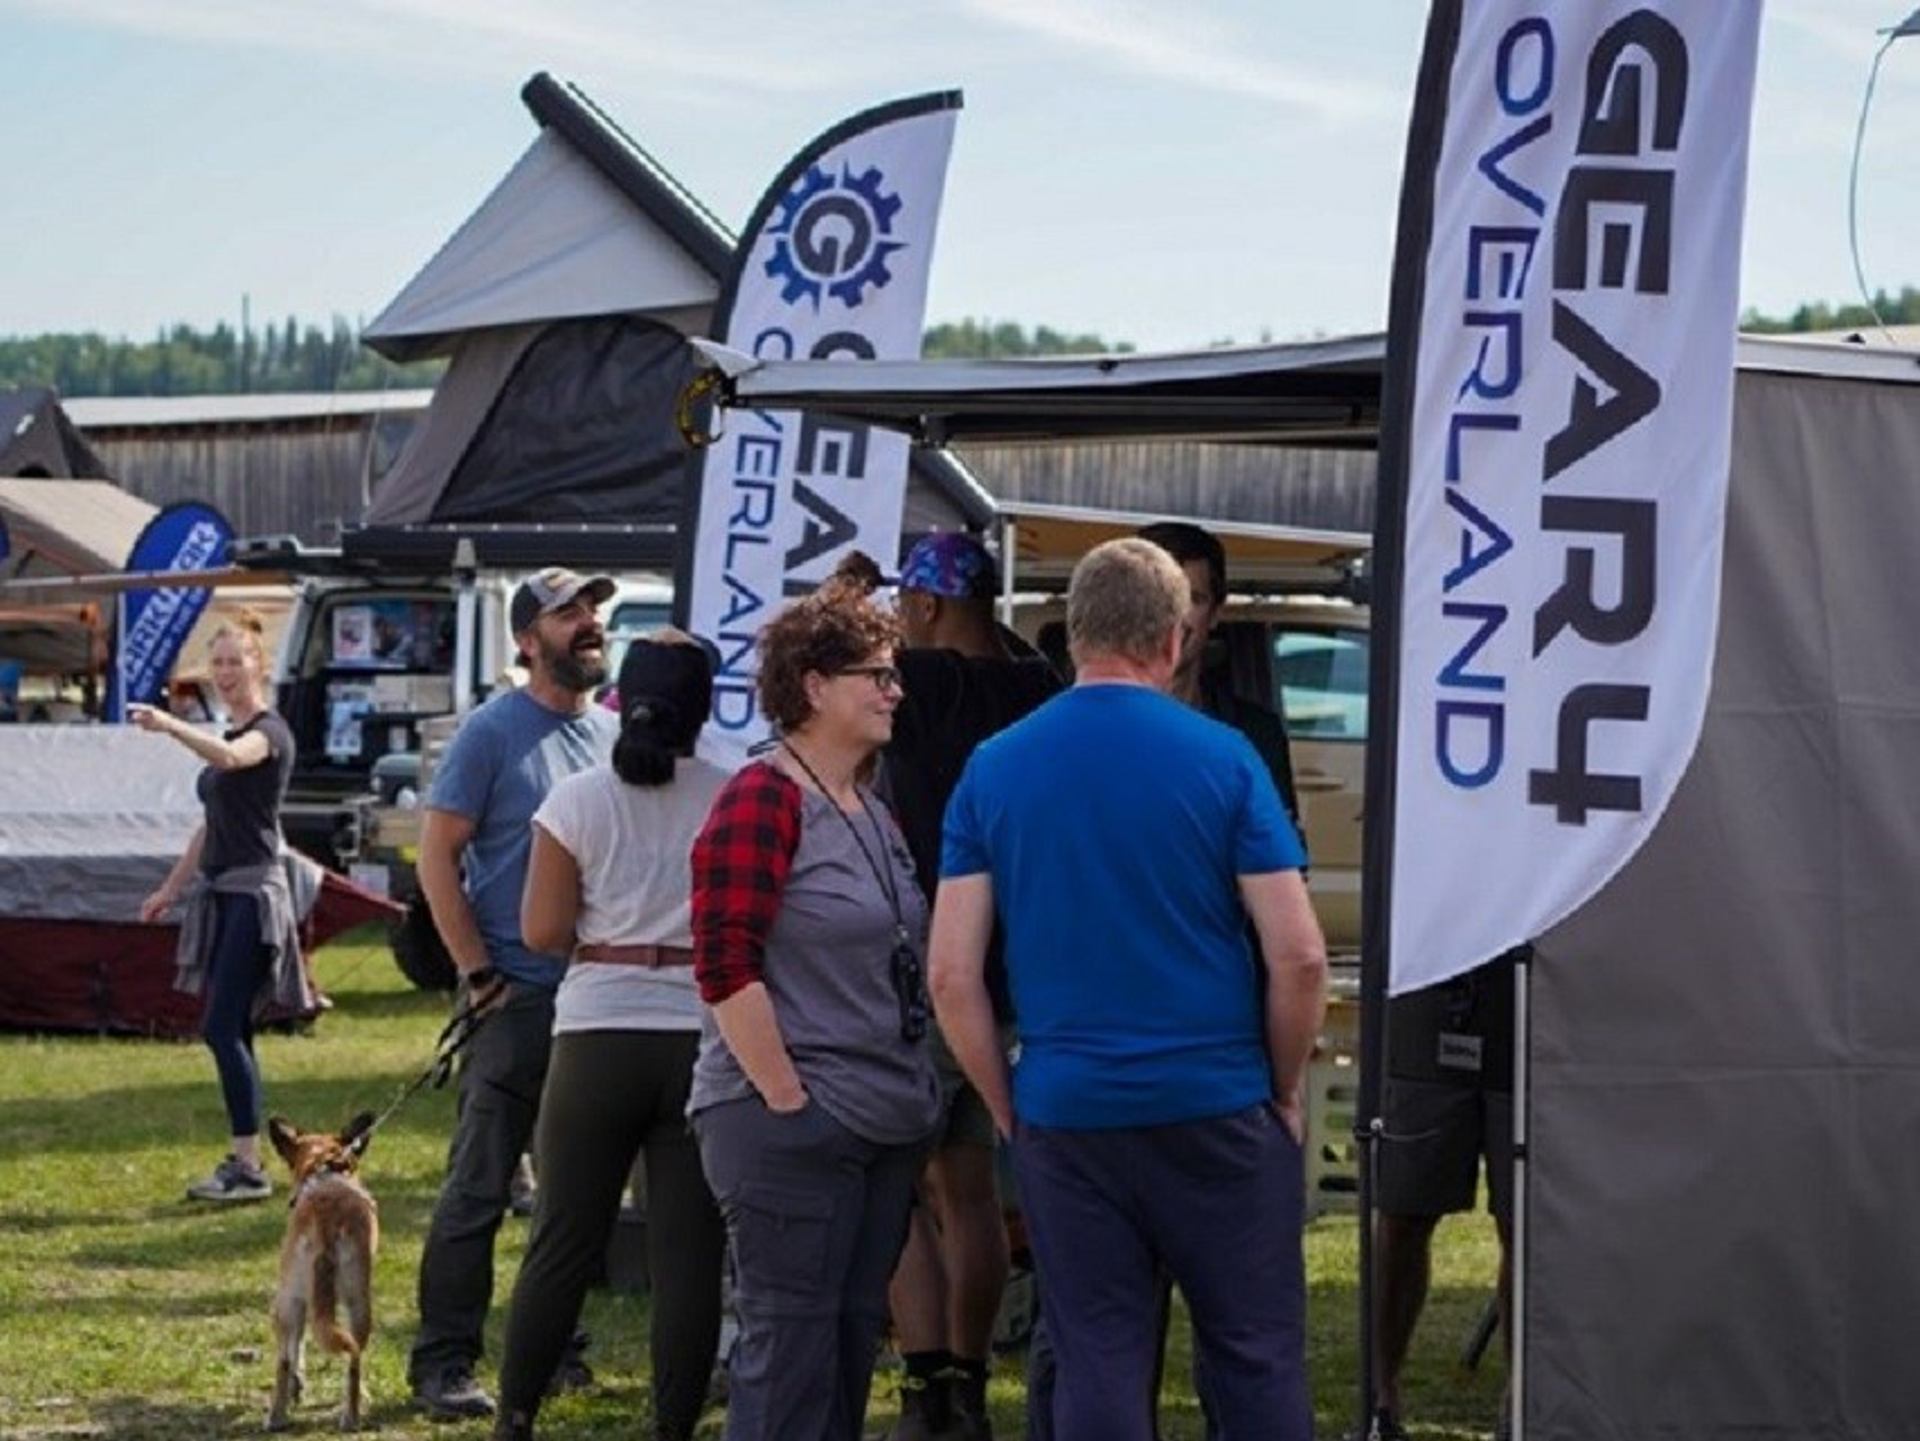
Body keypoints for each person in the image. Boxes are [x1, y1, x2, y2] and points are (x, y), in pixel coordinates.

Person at [930, 538, 1328, 1441]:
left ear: (1073, 634)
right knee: (1256, 1353)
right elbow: (1301, 954)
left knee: (1097, 1354)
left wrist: (1008, 1102)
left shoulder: (995, 765)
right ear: (1175, 637)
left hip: (1068, 1108)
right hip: (1219, 1100)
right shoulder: (1227, 757)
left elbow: (952, 971)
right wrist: (1282, 1085)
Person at [687, 575, 942, 1441]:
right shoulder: (763, 795)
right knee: (790, 1356)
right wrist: (790, 1102)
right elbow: (724, 963)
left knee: (842, 1350)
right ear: (814, 685)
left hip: (875, 1120)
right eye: (878, 674)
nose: (894, 690)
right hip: (793, 1125)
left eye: (894, 673)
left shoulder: (868, 804)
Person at [842, 537, 1061, 1441]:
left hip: (932, 964)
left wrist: (849, 591)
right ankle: (968, 1383)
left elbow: (826, 666)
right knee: (969, 1183)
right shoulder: (1040, 682)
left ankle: (927, 1384)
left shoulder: (920, 680)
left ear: (928, 607)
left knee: (895, 1184)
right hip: (1015, 972)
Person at [490, 633, 730, 1441]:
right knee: (688, 1253)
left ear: (625, 698)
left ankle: (516, 1415)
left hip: (596, 1032)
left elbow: (541, 930)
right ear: (704, 707)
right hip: (700, 1032)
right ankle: (674, 1425)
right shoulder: (735, 791)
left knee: (562, 1237)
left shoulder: (577, 799)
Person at [408, 567, 619, 1422]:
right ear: (528, 640)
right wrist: (477, 970)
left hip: (596, 1003)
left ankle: (554, 1348)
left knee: (574, 1195)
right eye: (569, 613)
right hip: (514, 999)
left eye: (593, 610)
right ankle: (443, 1361)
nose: (590, 623)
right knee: (479, 1189)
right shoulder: (492, 732)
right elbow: (436, 857)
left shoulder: (611, 734)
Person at [134, 613, 308, 1204]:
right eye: (219, 663)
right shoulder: (228, 733)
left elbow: (234, 759)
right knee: (231, 1027)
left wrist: (169, 726)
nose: (227, 672)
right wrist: (170, 888)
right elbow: (210, 826)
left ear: (259, 665)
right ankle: (247, 1161)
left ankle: (248, 1166)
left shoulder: (268, 733)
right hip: (222, 894)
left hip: (254, 897)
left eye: (237, 661)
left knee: (219, 1026)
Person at [1368, 950, 1519, 1441]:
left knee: (1523, 1224)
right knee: (1403, 1213)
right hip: (1427, 996)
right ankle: (1380, 1396)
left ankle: (1519, 1401)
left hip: (1521, 1006)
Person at [1137, 520, 1299, 823]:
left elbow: (1281, 850)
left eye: (1193, 599)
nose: (1173, 616)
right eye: (1157, 596)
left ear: (1215, 613)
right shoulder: (1077, 730)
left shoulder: (1257, 736)